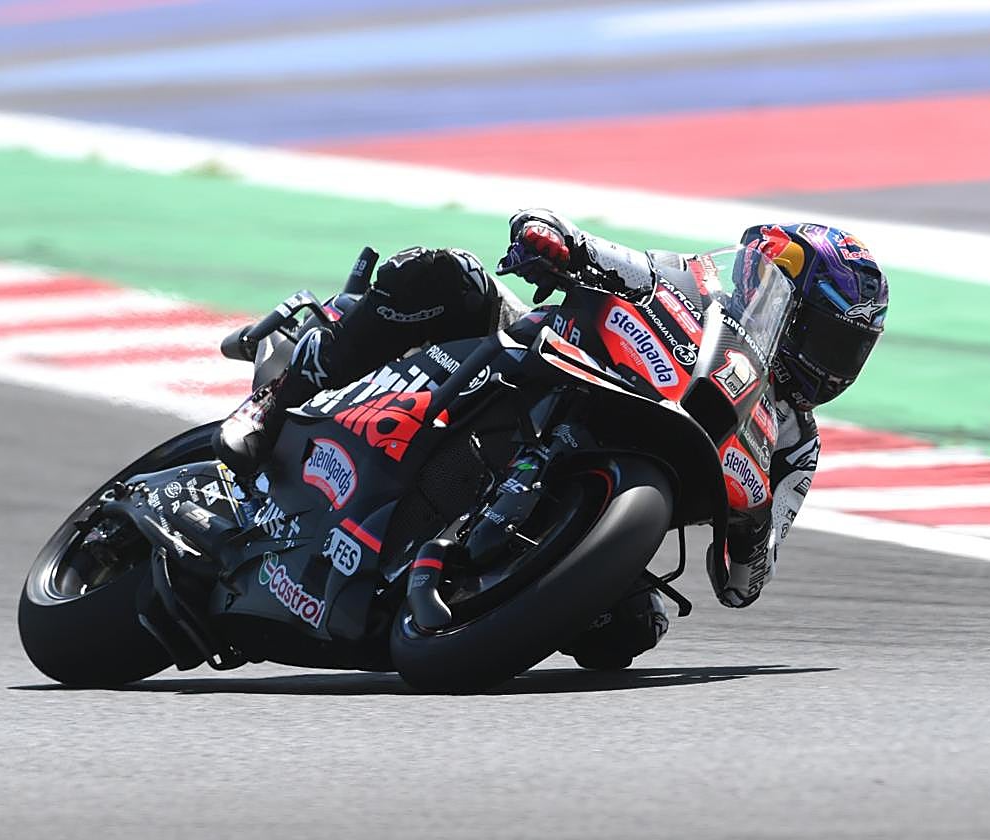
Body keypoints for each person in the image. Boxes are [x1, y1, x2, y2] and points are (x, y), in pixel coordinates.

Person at [213, 210, 889, 667]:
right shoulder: (695, 285)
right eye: (829, 337)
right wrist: (555, 238)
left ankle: (479, 588)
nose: (835, 364)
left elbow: (744, 584)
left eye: (850, 348)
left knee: (627, 633)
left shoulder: (798, 446)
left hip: (624, 477)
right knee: (445, 273)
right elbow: (616, 259)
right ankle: (280, 394)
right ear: (781, 303)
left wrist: (751, 524)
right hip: (552, 368)